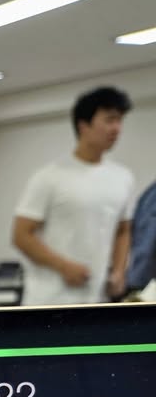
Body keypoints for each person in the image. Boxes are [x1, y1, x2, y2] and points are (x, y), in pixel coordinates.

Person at [12, 86, 135, 305]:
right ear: (83, 125)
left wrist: (119, 271)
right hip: (48, 300)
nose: (117, 128)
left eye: (120, 121)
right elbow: (21, 235)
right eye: (109, 120)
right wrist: (63, 266)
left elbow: (123, 230)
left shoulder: (123, 177)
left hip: (96, 299)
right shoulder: (49, 177)